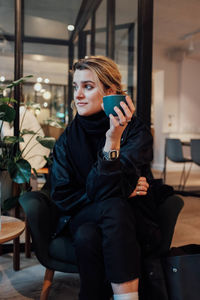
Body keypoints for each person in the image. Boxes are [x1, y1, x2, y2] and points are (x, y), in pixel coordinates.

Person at [51, 56, 161, 300]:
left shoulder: (135, 131)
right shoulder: (67, 140)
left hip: (132, 217)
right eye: (76, 86)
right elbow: (61, 196)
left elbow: (107, 188)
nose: (78, 94)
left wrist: (113, 139)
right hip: (81, 212)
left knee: (88, 234)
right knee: (112, 203)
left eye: (88, 87)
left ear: (110, 92)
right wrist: (120, 188)